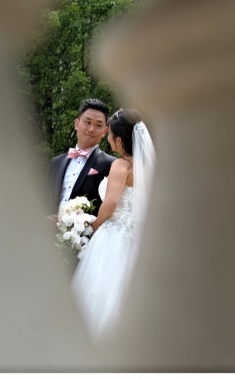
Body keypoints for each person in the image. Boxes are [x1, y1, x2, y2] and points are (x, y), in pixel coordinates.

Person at [71, 108, 155, 339]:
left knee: (103, 292)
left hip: (114, 237)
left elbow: (110, 204)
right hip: (141, 238)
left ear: (119, 140)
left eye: (109, 134)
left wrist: (93, 225)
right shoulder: (149, 168)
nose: (107, 137)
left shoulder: (121, 166)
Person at [48, 99, 116, 216]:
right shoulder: (56, 162)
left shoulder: (111, 164)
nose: (91, 129)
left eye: (98, 125)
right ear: (76, 124)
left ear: (105, 131)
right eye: (87, 122)